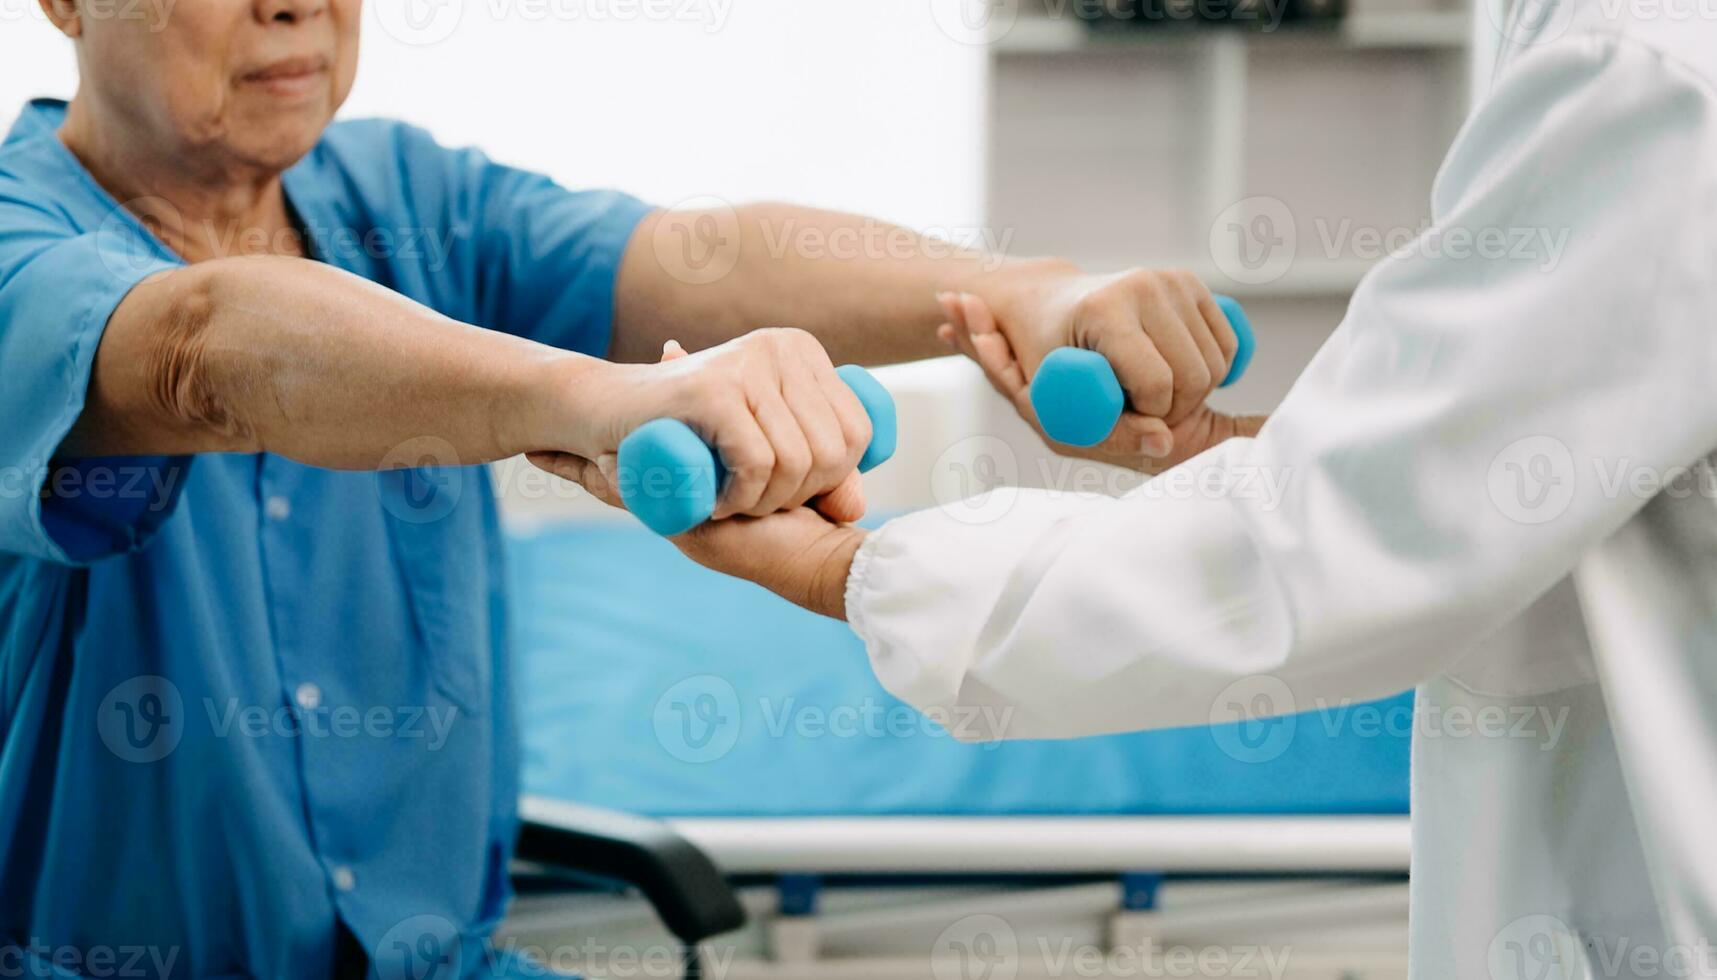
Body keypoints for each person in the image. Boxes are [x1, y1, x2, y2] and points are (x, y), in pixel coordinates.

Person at [0, 1, 1245, 975]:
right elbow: (199, 349)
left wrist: (1026, 294)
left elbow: (698, 260)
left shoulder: (409, 201)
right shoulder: (18, 248)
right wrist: (603, 399)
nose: (298, 7)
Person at [646, 4, 1717, 976]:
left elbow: (1329, 552)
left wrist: (848, 565)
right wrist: (1237, 445)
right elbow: (1534, 461)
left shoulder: (1650, 69)